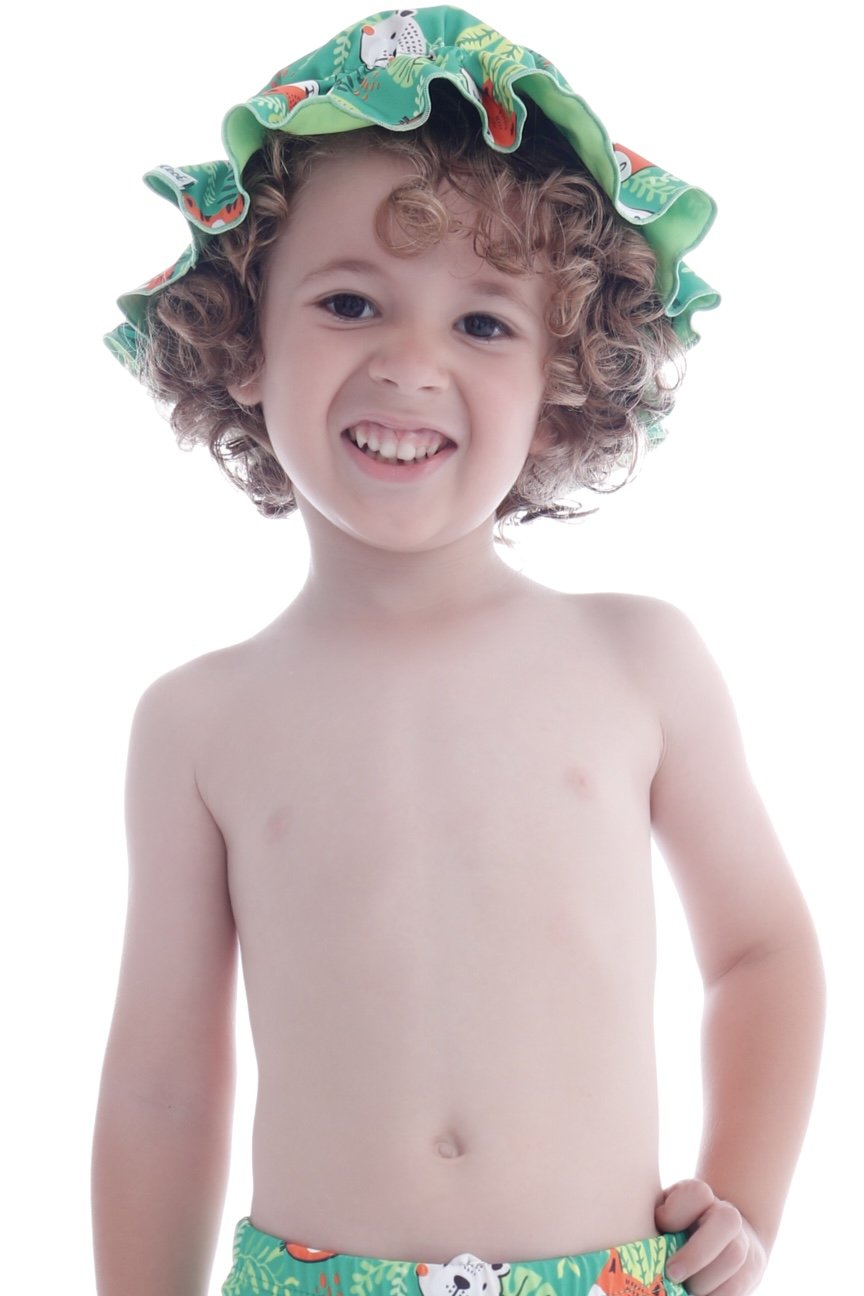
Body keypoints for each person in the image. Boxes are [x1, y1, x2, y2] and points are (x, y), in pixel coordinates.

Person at [92, 8, 825, 1296]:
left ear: (563, 380)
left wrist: (748, 1207)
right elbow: (161, 1087)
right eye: (350, 301)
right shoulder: (198, 721)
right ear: (245, 342)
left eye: (483, 326)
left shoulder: (639, 664)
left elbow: (762, 952)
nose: (410, 365)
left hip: (607, 1275)